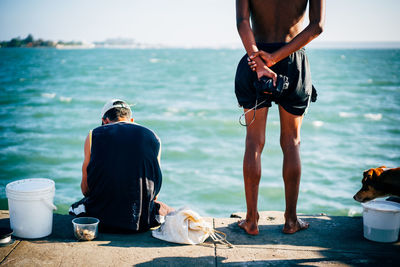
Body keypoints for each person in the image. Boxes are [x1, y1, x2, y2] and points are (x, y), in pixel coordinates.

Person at [235, 0, 325, 235]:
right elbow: (317, 26)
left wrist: (260, 60)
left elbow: (242, 21)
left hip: (256, 59)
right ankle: (291, 220)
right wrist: (276, 58)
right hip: (293, 60)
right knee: (291, 142)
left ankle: (252, 220)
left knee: (254, 141)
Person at [69, 99, 173, 233]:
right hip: (141, 223)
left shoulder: (93, 135)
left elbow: (85, 189)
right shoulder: (154, 137)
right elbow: (155, 192)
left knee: (75, 208)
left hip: (101, 221)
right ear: (131, 120)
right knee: (165, 209)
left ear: (105, 121)